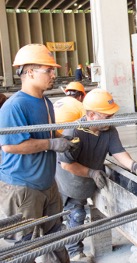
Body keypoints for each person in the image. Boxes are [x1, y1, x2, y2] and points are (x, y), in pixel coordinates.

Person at [0, 44, 77, 263]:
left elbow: (47, 135)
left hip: (47, 183)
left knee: (55, 236)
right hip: (23, 187)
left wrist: (63, 139)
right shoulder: (14, 106)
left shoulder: (46, 102)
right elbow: (11, 146)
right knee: (27, 246)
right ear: (29, 71)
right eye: (48, 70)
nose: (54, 74)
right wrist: (53, 144)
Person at [55, 88, 137, 261]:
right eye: (107, 116)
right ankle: (75, 252)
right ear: (91, 116)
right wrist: (91, 172)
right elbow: (66, 165)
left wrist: (134, 165)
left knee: (79, 212)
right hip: (70, 182)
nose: (111, 119)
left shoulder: (109, 130)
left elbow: (118, 151)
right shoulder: (74, 132)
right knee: (75, 215)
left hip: (90, 179)